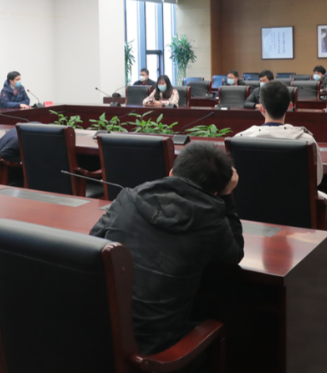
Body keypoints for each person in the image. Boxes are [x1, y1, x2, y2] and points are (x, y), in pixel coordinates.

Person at [90, 142, 243, 356]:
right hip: (158, 349)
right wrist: (227, 196)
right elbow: (234, 255)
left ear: (171, 172)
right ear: (215, 191)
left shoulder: (128, 198)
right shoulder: (212, 219)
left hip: (100, 334)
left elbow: (92, 243)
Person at [234, 80, 327, 217]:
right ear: (290, 106)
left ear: (261, 108)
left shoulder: (239, 139)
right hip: (297, 213)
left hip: (252, 210)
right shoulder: (306, 140)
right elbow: (317, 180)